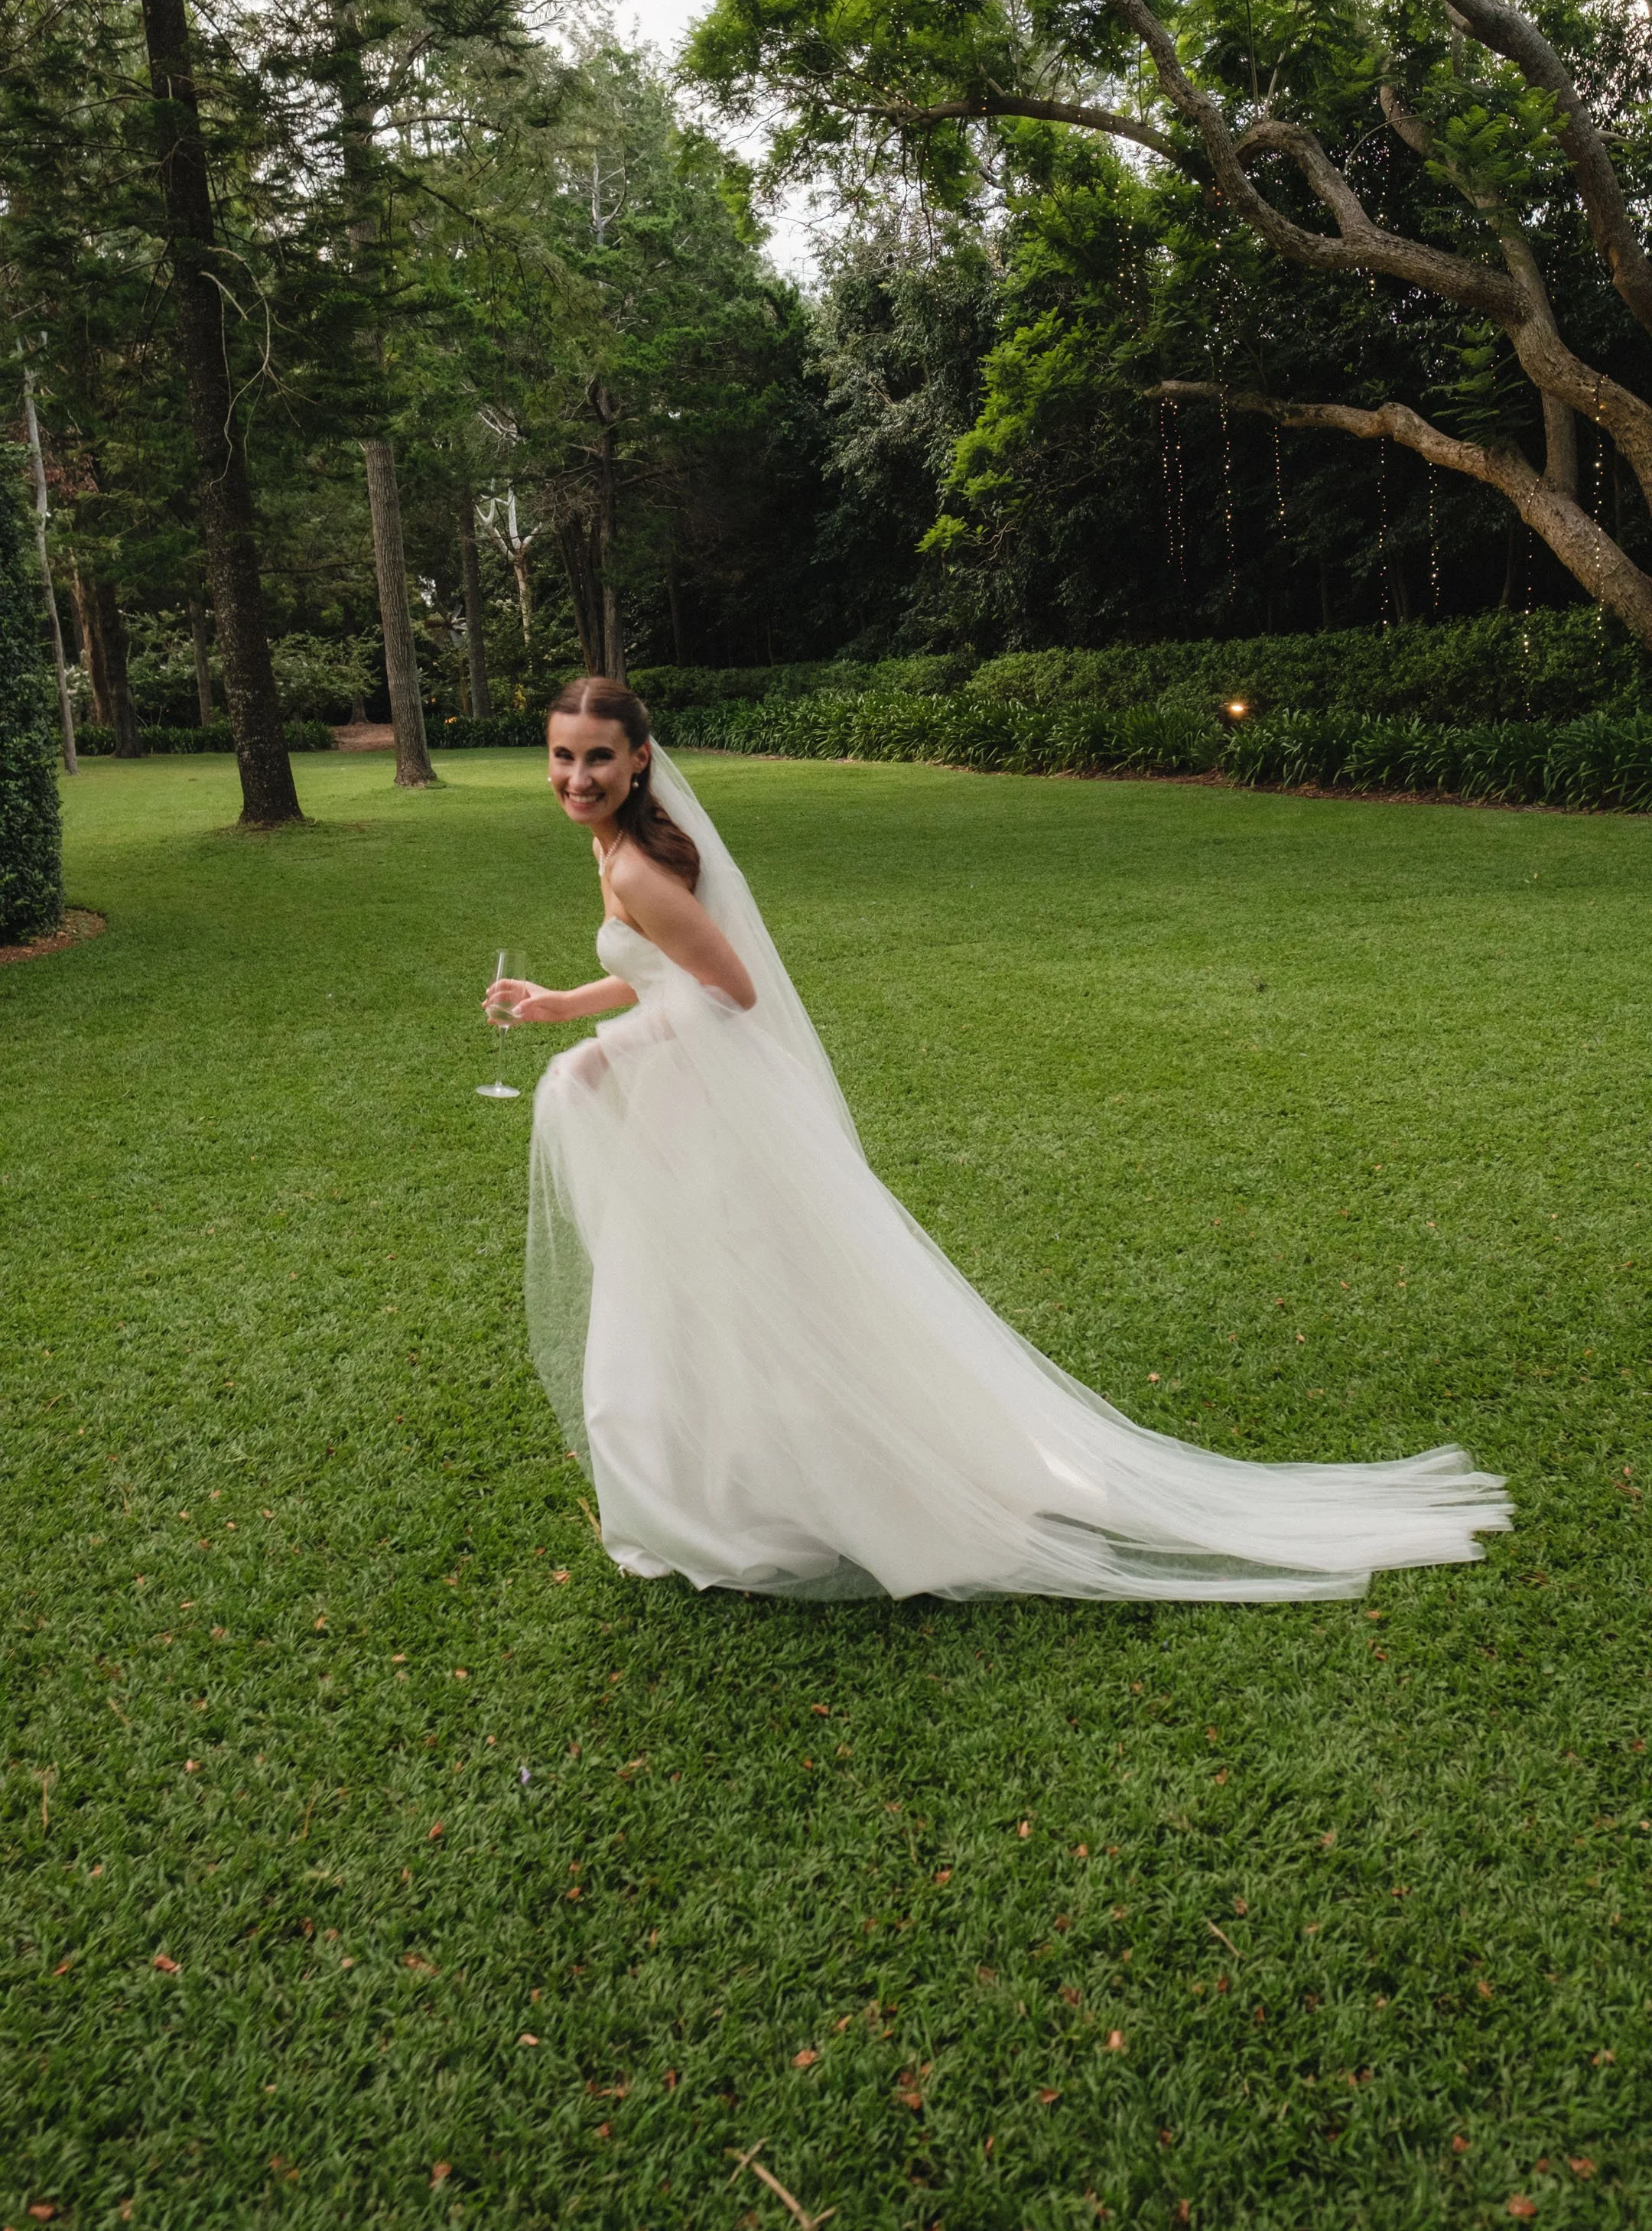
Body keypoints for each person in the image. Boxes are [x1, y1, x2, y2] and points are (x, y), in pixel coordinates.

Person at [486, 676, 1511, 1603]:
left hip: (709, 1106)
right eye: (563, 756)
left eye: (598, 757)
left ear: (641, 761)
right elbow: (666, 971)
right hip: (701, 1103)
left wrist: (601, 1058)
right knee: (737, 1298)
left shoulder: (640, 869)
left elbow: (727, 990)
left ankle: (831, 1490)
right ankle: (764, 1480)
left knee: (748, 1296)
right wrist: (565, 1006)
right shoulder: (625, 847)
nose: (578, 776)